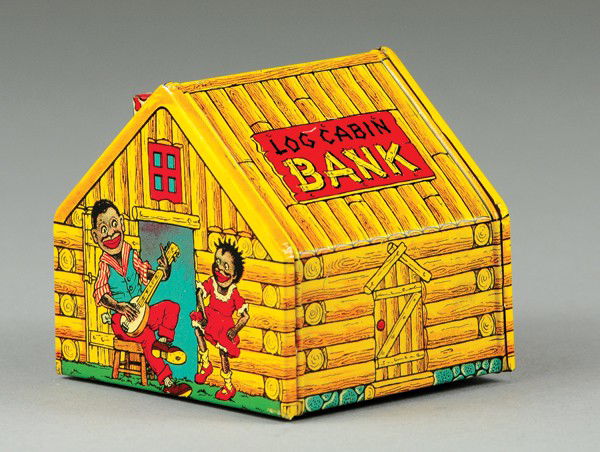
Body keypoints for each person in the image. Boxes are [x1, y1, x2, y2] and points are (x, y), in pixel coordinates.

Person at [91, 199, 191, 397]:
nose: (110, 233)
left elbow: (148, 275)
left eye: (114, 224)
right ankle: (167, 381)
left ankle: (164, 342)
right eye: (103, 229)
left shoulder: (131, 253)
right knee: (147, 338)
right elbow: (101, 294)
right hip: (121, 320)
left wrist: (164, 270)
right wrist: (119, 306)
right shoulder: (104, 264)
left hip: (142, 310)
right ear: (95, 236)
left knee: (171, 307)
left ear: (122, 223)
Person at [191, 240, 249, 401]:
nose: (219, 269)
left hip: (224, 326)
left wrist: (234, 330)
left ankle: (228, 386)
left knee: (224, 354)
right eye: (217, 262)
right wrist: (203, 314)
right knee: (197, 328)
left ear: (234, 275)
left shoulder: (233, 293)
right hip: (210, 317)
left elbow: (245, 316)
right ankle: (206, 364)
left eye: (226, 266)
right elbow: (199, 293)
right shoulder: (212, 282)